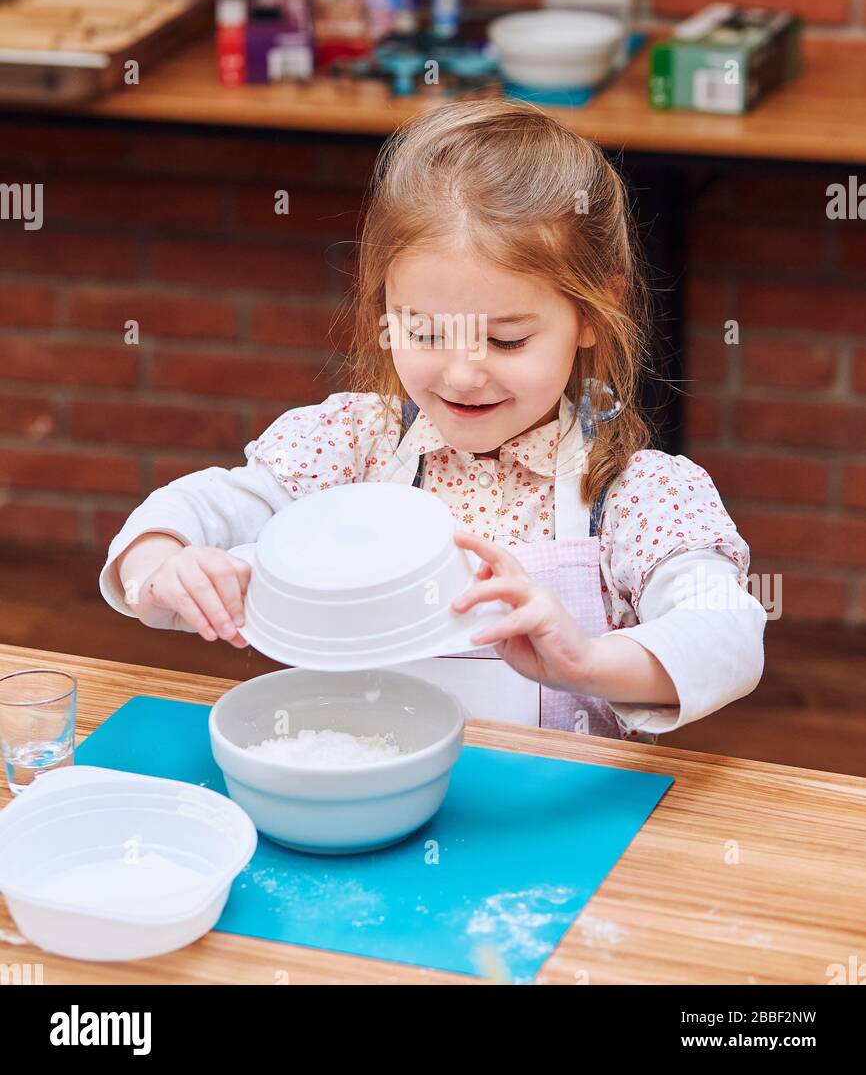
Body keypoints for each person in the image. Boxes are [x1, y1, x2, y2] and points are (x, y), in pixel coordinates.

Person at [100, 99, 766, 743]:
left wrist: (587, 660)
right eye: (424, 332)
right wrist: (164, 568)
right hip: (360, 807)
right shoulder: (347, 447)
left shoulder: (631, 491)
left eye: (507, 341)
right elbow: (183, 527)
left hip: (553, 829)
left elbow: (726, 636)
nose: (463, 374)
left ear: (593, 312)